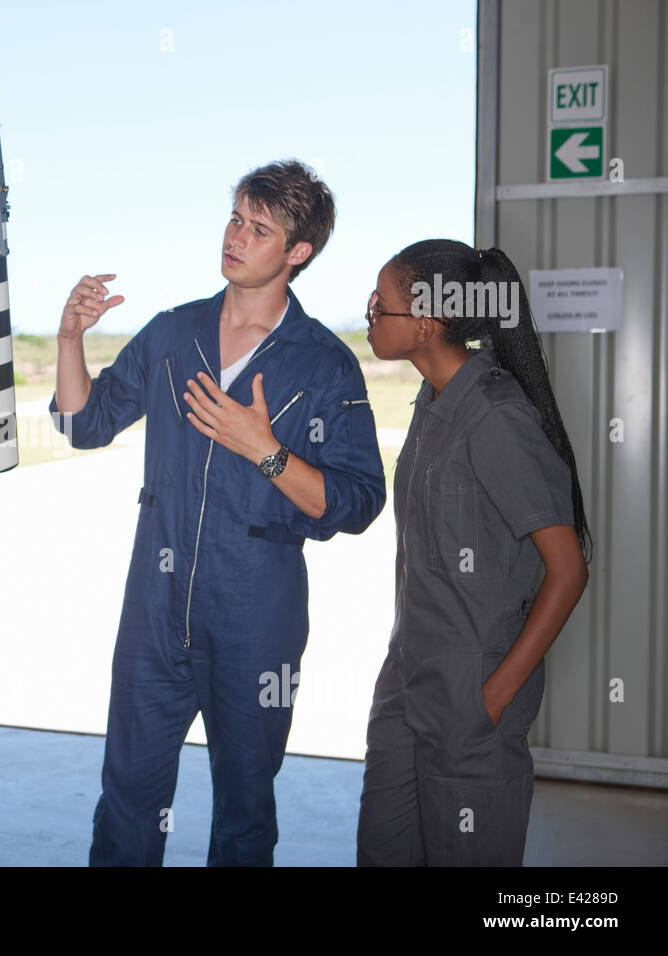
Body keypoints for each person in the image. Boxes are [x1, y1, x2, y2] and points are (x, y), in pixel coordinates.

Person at [50, 159, 386, 866]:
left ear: (298, 253)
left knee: (243, 812)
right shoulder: (174, 334)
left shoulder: (325, 364)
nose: (236, 236)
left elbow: (357, 503)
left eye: (259, 228)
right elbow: (84, 425)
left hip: (256, 617)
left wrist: (264, 451)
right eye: (236, 218)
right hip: (154, 607)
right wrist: (70, 339)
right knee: (128, 799)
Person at [355, 239, 591, 866]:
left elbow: (569, 572)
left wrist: (492, 695)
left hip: (472, 691)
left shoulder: (494, 415)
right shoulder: (431, 403)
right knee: (384, 849)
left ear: (426, 323)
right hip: (408, 679)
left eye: (383, 304)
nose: (371, 313)